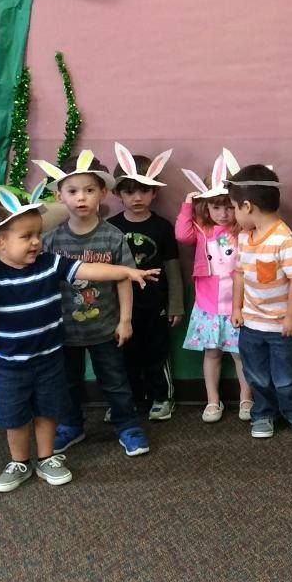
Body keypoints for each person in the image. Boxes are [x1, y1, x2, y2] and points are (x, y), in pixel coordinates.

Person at [0, 181, 156, 492]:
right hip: (10, 365)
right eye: (26, 237)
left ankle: (47, 458)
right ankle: (19, 462)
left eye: (37, 234)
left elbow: (90, 270)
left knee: (48, 410)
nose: (37, 242)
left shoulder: (50, 263)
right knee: (15, 415)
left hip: (49, 359)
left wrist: (126, 272)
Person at [34, 150, 150, 458]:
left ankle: (128, 426)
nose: (81, 198)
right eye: (72, 191)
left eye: (89, 190)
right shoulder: (51, 241)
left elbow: (124, 279)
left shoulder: (113, 237)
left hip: (105, 328)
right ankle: (71, 425)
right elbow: (42, 285)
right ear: (59, 195)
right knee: (67, 383)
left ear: (103, 193)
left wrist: (125, 320)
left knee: (115, 382)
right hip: (64, 332)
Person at [228, 163, 292, 439]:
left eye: (234, 208)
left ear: (247, 206)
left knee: (287, 376)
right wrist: (236, 307)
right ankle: (264, 413)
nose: (234, 214)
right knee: (256, 375)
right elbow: (240, 274)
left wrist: (291, 317)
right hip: (251, 325)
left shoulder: (284, 239)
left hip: (281, 328)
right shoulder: (244, 238)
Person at [108, 143, 184, 421]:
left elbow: (173, 268)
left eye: (143, 190)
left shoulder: (162, 227)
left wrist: (175, 305)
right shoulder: (111, 227)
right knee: (123, 356)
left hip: (155, 305)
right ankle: (126, 401)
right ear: (117, 193)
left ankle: (162, 398)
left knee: (156, 353)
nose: (137, 197)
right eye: (129, 191)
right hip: (120, 308)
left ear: (155, 192)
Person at [179, 150, 253, 422]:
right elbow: (181, 235)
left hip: (239, 306)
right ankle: (213, 401)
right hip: (209, 306)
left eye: (229, 206)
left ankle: (246, 398)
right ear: (206, 206)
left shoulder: (244, 229)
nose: (223, 213)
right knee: (212, 354)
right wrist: (188, 204)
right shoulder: (202, 229)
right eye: (216, 207)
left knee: (241, 356)